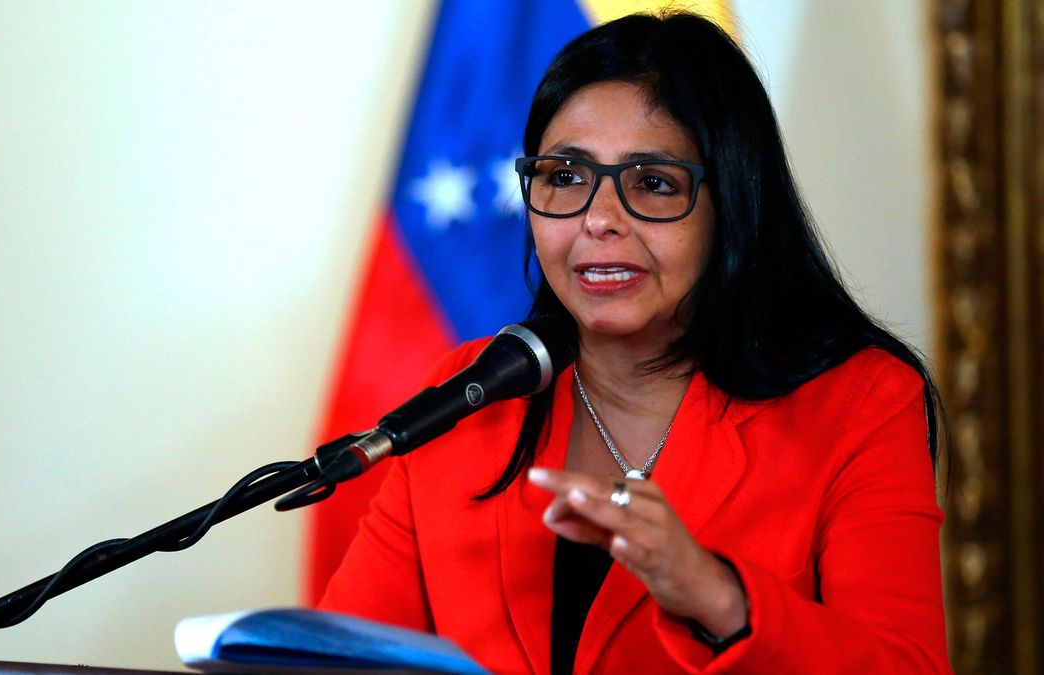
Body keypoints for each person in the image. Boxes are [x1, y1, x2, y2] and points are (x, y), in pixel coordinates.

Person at [318, 11, 949, 674]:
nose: (598, 219)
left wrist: (716, 595)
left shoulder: (859, 401)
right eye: (565, 176)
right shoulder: (474, 390)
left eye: (652, 183)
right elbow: (343, 659)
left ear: (732, 204)